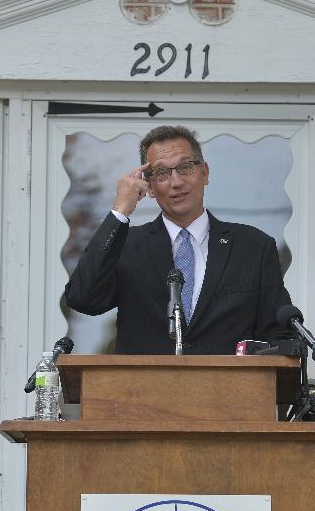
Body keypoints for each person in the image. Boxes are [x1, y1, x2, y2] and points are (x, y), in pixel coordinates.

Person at [64, 125, 294, 354]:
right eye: (162, 173)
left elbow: (279, 335)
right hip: (143, 388)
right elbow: (83, 298)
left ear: (204, 173)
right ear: (150, 187)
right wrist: (120, 212)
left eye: (185, 167)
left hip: (228, 388)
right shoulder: (127, 245)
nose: (176, 182)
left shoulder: (253, 247)